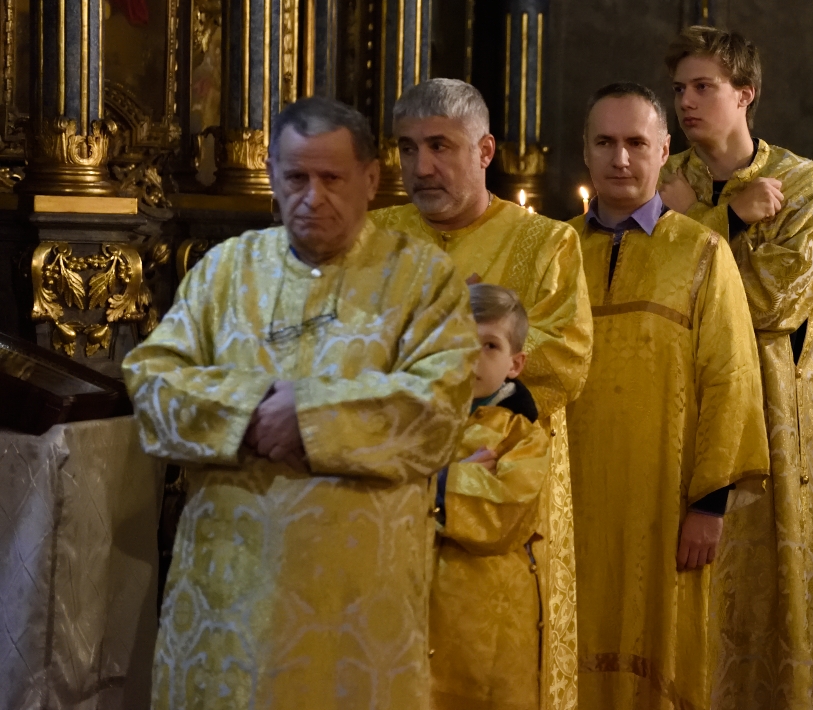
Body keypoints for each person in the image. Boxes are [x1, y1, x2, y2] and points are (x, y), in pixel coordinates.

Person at [123, 97, 479, 708]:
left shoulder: (422, 279)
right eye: (296, 178)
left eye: (332, 178)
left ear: (371, 179)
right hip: (229, 595)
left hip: (356, 604)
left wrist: (312, 417)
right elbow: (152, 380)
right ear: (272, 176)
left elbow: (440, 408)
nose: (313, 197)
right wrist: (247, 411)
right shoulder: (226, 271)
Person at [371, 78, 592, 708]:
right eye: (407, 147)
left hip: (494, 503)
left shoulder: (546, 243)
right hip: (384, 510)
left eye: (440, 146)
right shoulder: (372, 239)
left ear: (485, 150)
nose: (420, 166)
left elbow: (564, 357)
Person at [567, 82, 769, 710]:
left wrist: (709, 505)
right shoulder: (553, 250)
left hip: (664, 499)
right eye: (605, 142)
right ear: (586, 151)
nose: (620, 158)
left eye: (635, 142)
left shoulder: (703, 252)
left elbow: (731, 379)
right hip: (568, 495)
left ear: (662, 151)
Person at [657, 25, 813, 710]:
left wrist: (691, 227)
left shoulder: (805, 184)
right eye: (679, 88)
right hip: (674, 407)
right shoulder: (666, 177)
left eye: (703, 87)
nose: (686, 102)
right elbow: (650, 283)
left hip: (768, 417)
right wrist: (727, 216)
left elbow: (775, 301)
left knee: (764, 599)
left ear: (745, 93)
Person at [430, 283, 549, 710]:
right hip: (411, 608)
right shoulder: (414, 419)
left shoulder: (522, 436)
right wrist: (453, 479)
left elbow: (502, 512)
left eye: (489, 345)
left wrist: (430, 484)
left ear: (515, 364)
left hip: (484, 618)